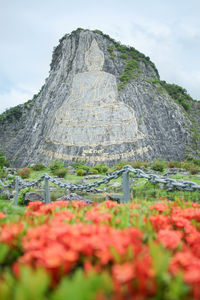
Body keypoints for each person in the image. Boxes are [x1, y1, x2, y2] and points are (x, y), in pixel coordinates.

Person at [48, 39, 144, 147]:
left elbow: (112, 95)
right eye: (91, 60)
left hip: (103, 106)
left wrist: (101, 102)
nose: (94, 62)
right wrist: (64, 107)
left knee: (123, 111)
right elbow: (74, 95)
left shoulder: (109, 77)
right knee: (70, 114)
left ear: (102, 61)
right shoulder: (79, 77)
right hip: (82, 105)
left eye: (97, 60)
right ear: (87, 61)